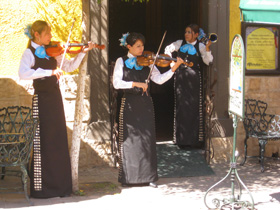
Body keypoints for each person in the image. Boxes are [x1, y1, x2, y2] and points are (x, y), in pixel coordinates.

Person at [18, 20, 95, 198]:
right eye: (47, 33)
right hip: (41, 101)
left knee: (57, 140)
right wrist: (49, 73)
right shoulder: (29, 53)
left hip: (55, 99)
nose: (51, 36)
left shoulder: (54, 51)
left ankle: (60, 187)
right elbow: (23, 74)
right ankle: (42, 189)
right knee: (42, 142)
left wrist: (82, 53)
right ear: (37, 35)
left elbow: (68, 67)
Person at [113, 32, 183, 188]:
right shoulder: (121, 61)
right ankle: (129, 178)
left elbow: (158, 80)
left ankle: (148, 176)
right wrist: (136, 84)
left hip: (145, 104)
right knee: (130, 141)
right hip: (129, 104)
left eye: (142, 46)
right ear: (129, 46)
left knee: (146, 139)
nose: (141, 49)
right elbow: (116, 83)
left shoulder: (148, 61)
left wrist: (173, 69)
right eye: (138, 46)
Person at [164, 24, 213, 149]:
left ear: (196, 34)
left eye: (189, 32)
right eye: (186, 31)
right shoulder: (180, 43)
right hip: (181, 77)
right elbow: (167, 49)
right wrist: (171, 62)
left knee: (193, 107)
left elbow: (208, 61)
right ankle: (180, 139)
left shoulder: (200, 46)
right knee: (181, 106)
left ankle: (194, 140)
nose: (186, 34)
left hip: (194, 79)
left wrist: (207, 48)